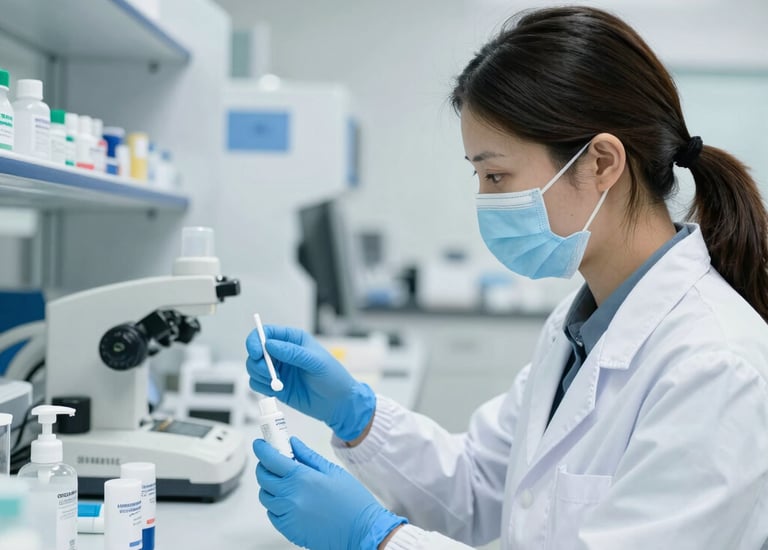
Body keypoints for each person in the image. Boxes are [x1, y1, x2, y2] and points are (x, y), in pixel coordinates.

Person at [245, 6, 768, 549]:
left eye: (497, 175)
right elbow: (484, 488)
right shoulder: (579, 328)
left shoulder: (713, 369)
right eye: (480, 176)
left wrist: (376, 539)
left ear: (602, 163)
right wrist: (357, 414)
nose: (486, 201)